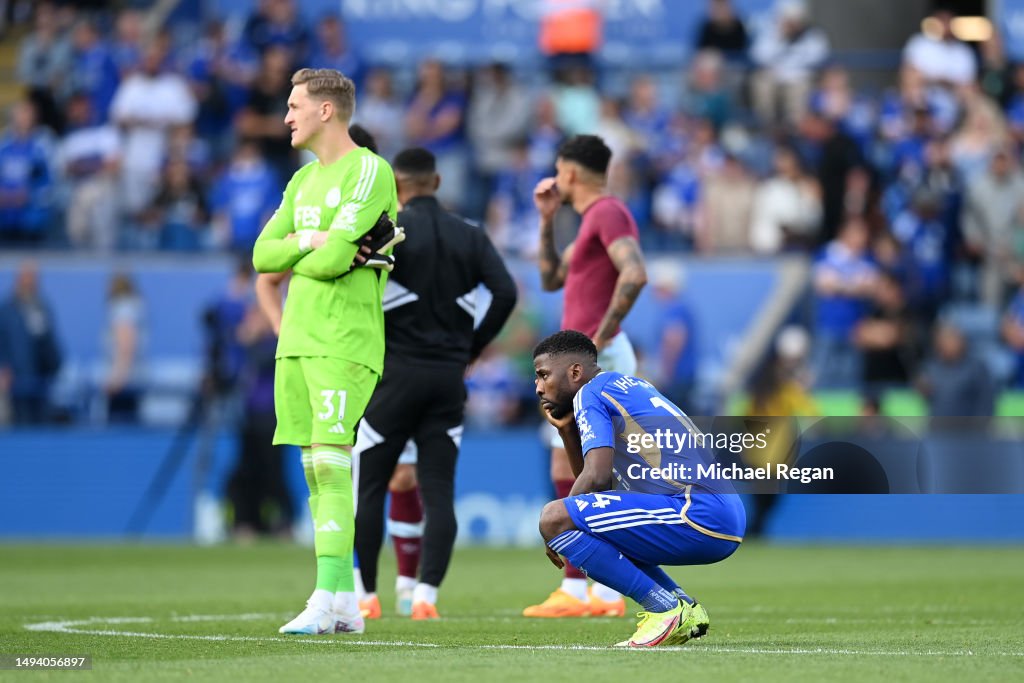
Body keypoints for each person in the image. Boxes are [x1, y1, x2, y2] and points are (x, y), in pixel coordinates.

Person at [251, 67, 400, 636]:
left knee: (333, 467)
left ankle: (324, 596)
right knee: (316, 471)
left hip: (344, 341)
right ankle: (343, 605)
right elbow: (262, 257)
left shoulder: (369, 170)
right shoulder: (301, 182)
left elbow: (337, 260)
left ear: (327, 110)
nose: (286, 116)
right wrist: (308, 242)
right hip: (298, 342)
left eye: (294, 105)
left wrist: (304, 249)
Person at [354, 147, 517, 620]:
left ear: (397, 186)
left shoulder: (390, 234)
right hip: (448, 378)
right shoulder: (470, 234)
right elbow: (505, 292)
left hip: (395, 376)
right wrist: (473, 348)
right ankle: (426, 596)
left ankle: (367, 595)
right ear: (438, 182)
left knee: (370, 486)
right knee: (439, 488)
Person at [534, 330, 745, 647]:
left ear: (575, 372)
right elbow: (601, 491)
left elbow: (596, 478)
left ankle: (664, 610)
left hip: (695, 512)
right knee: (583, 521)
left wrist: (557, 527)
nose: (538, 387)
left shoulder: (590, 394)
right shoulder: (627, 385)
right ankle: (683, 605)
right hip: (721, 512)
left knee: (553, 517)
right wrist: (567, 433)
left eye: (543, 375)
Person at [527, 134, 648, 618]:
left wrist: (596, 339)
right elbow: (551, 279)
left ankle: (610, 590)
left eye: (558, 170)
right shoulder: (595, 220)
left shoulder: (609, 212)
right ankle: (581, 591)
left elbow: (634, 273)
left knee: (602, 471)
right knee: (568, 465)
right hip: (587, 360)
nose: (555, 179)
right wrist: (546, 220)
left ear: (571, 173)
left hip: (596, 360)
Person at [0, 261, 62, 424]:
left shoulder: (42, 308)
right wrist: (3, 366)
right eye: (26, 278)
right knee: (19, 423)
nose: (30, 283)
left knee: (40, 424)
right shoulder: (7, 309)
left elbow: (51, 346)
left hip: (40, 382)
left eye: (33, 279)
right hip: (16, 382)